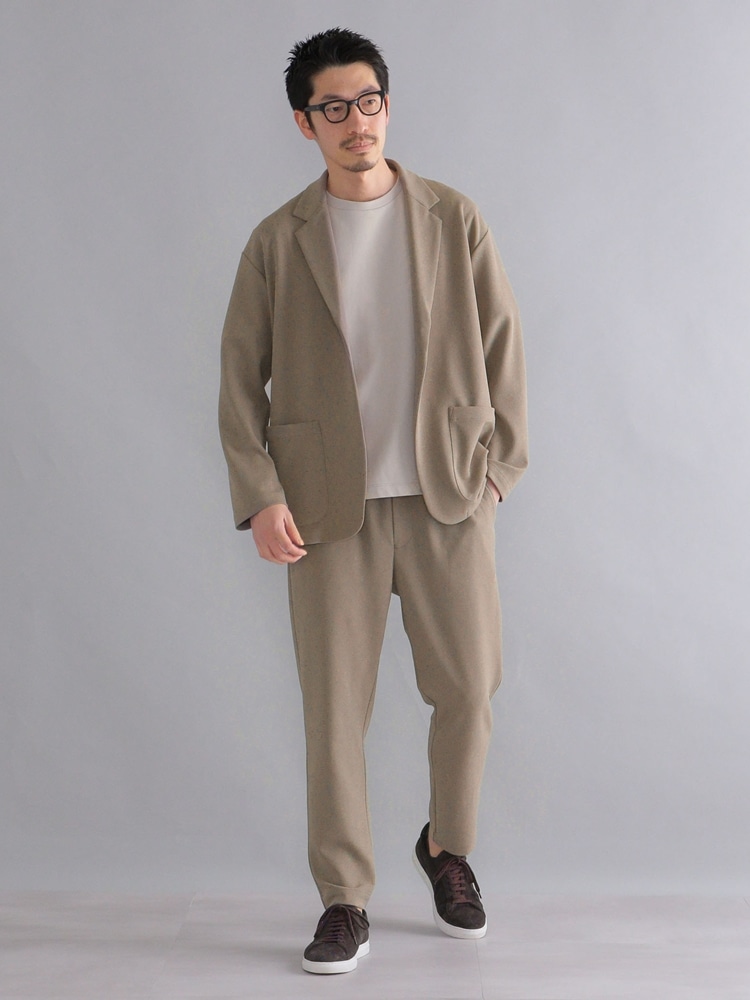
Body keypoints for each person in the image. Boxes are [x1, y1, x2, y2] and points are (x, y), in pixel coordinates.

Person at [219, 27, 528, 975]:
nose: (357, 122)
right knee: (334, 713)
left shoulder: (451, 217)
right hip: (326, 511)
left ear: (387, 106)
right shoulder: (279, 240)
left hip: (446, 495)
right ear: (304, 123)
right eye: (334, 108)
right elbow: (238, 379)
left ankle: (447, 849)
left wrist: (500, 465)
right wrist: (260, 496)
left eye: (369, 101)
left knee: (469, 688)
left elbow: (504, 342)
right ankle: (344, 897)